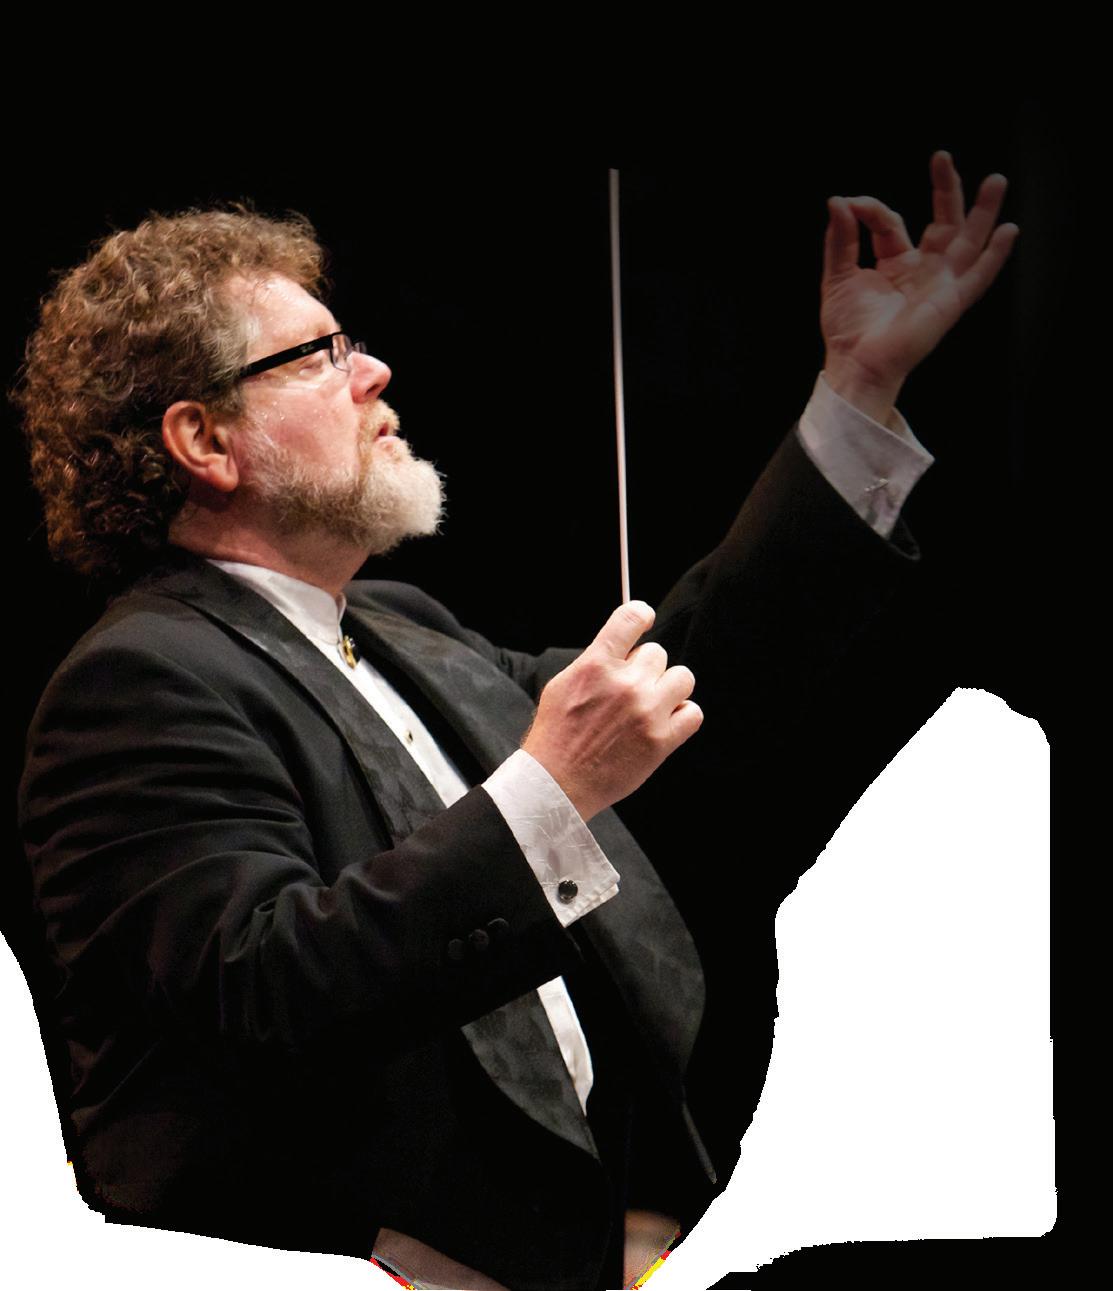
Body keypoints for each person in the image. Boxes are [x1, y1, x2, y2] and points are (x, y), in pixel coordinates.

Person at [14, 152, 1017, 1291]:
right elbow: (267, 988)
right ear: (204, 441)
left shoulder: (399, 625)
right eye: (320, 355)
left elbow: (680, 693)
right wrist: (550, 786)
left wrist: (857, 394)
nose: (373, 371)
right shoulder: (138, 682)